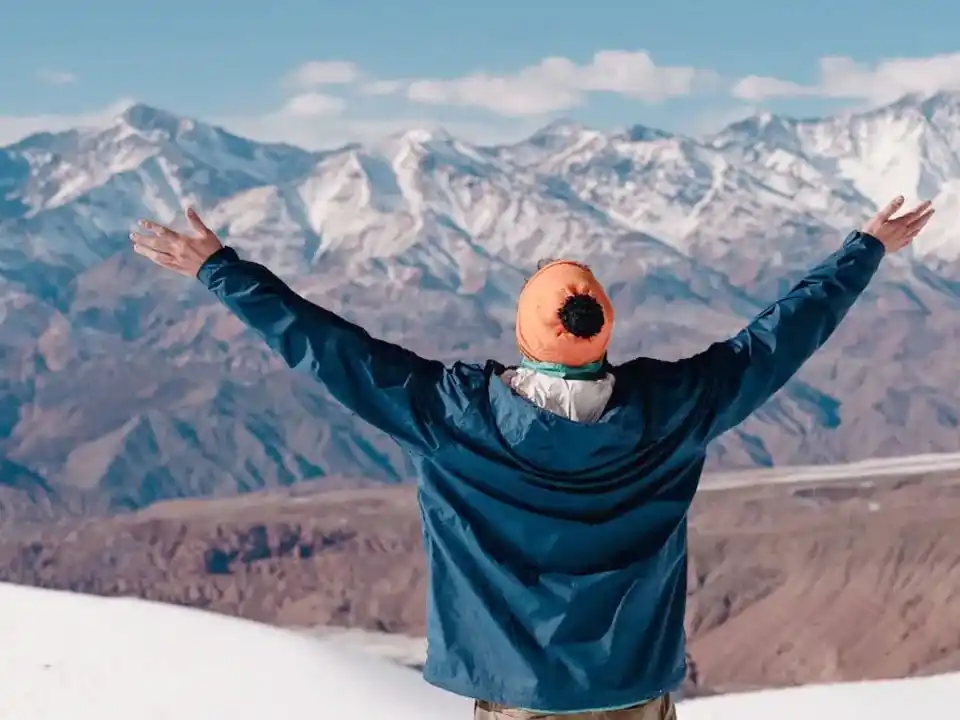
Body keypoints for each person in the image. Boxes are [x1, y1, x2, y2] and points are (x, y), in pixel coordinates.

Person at [131, 195, 934, 720]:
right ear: (603, 332)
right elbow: (780, 337)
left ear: (524, 335)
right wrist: (864, 247)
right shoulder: (676, 409)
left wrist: (220, 270)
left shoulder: (453, 415)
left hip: (515, 701)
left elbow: (328, 348)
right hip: (633, 696)